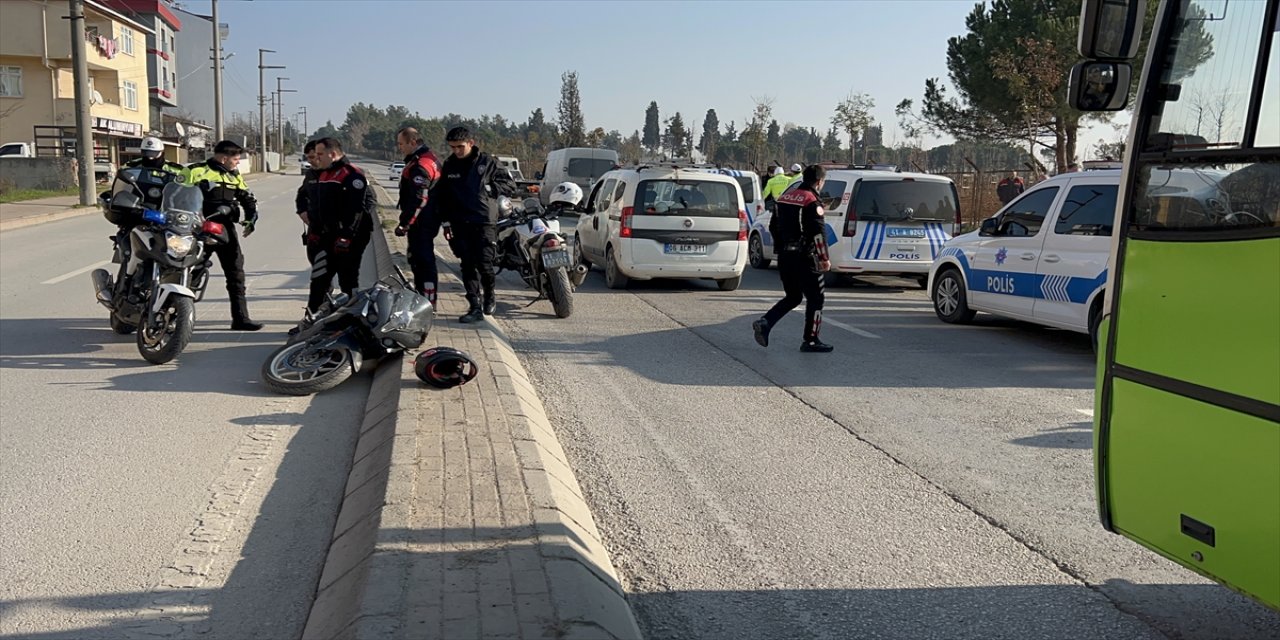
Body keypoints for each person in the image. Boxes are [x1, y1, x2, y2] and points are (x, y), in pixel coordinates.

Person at [430, 126, 515, 323]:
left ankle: (490, 295)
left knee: (485, 264)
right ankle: (474, 306)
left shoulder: (488, 162)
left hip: (484, 221)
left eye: (460, 146)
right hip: (460, 223)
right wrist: (445, 222)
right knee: (467, 265)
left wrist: (489, 188)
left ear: (471, 143)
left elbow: (510, 185)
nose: (457, 151)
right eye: (452, 147)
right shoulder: (450, 165)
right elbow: (442, 196)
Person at [752, 164, 833, 353]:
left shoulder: (786, 197)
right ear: (819, 181)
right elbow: (818, 233)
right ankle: (811, 340)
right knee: (816, 299)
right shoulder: (812, 201)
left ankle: (766, 322)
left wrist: (782, 247)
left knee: (794, 296)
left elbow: (773, 226)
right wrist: (824, 258)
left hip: (785, 256)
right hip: (805, 257)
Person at [186, 140, 263, 331]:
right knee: (189, 271)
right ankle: (174, 316)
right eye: (236, 159)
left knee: (236, 273)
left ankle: (240, 318)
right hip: (197, 228)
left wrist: (251, 219)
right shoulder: (195, 171)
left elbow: (248, 199)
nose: (238, 163)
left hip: (224, 230)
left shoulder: (234, 175)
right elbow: (175, 196)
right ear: (224, 157)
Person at [302, 137, 377, 319]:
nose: (317, 158)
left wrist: (346, 236)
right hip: (326, 235)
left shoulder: (352, 175)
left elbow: (357, 210)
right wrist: (315, 231)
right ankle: (311, 320)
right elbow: (318, 207)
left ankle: (350, 319)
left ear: (333, 154)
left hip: (350, 237)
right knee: (319, 279)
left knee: (347, 279)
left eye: (320, 154)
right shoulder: (324, 174)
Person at [392, 127, 443, 303]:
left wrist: (405, 223)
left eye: (401, 144)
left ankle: (428, 301)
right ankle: (422, 298)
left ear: (412, 142)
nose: (399, 148)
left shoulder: (422, 164)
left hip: (423, 221)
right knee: (416, 258)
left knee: (423, 261)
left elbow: (419, 198)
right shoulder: (425, 159)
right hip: (426, 219)